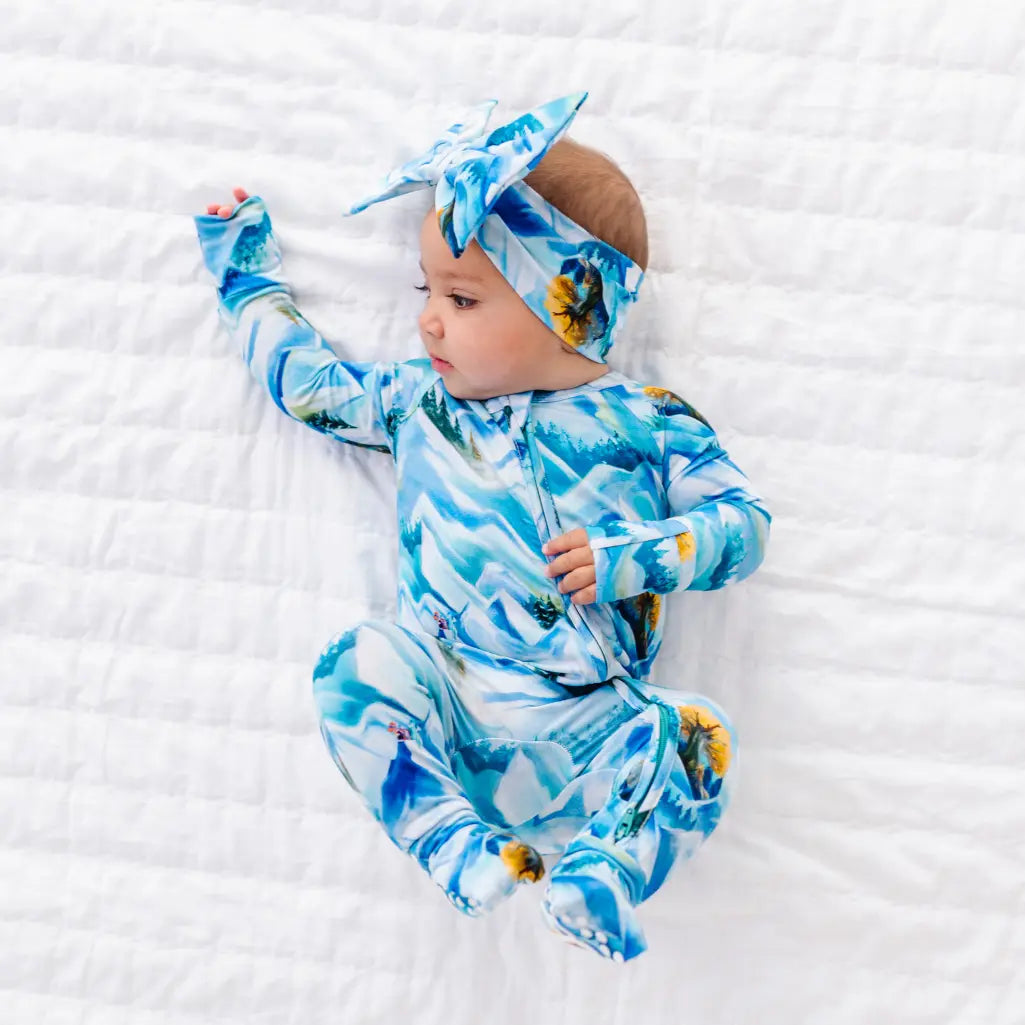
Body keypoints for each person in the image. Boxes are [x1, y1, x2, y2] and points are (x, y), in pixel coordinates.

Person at [193, 92, 770, 963]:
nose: (428, 317)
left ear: (567, 307)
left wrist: (631, 558)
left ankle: (603, 872)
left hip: (590, 723)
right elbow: (308, 385)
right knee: (352, 668)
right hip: (451, 702)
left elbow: (743, 524)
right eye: (429, 290)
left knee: (696, 733)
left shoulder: (647, 422)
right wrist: (248, 280)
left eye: (461, 299)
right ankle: (452, 842)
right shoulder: (418, 404)